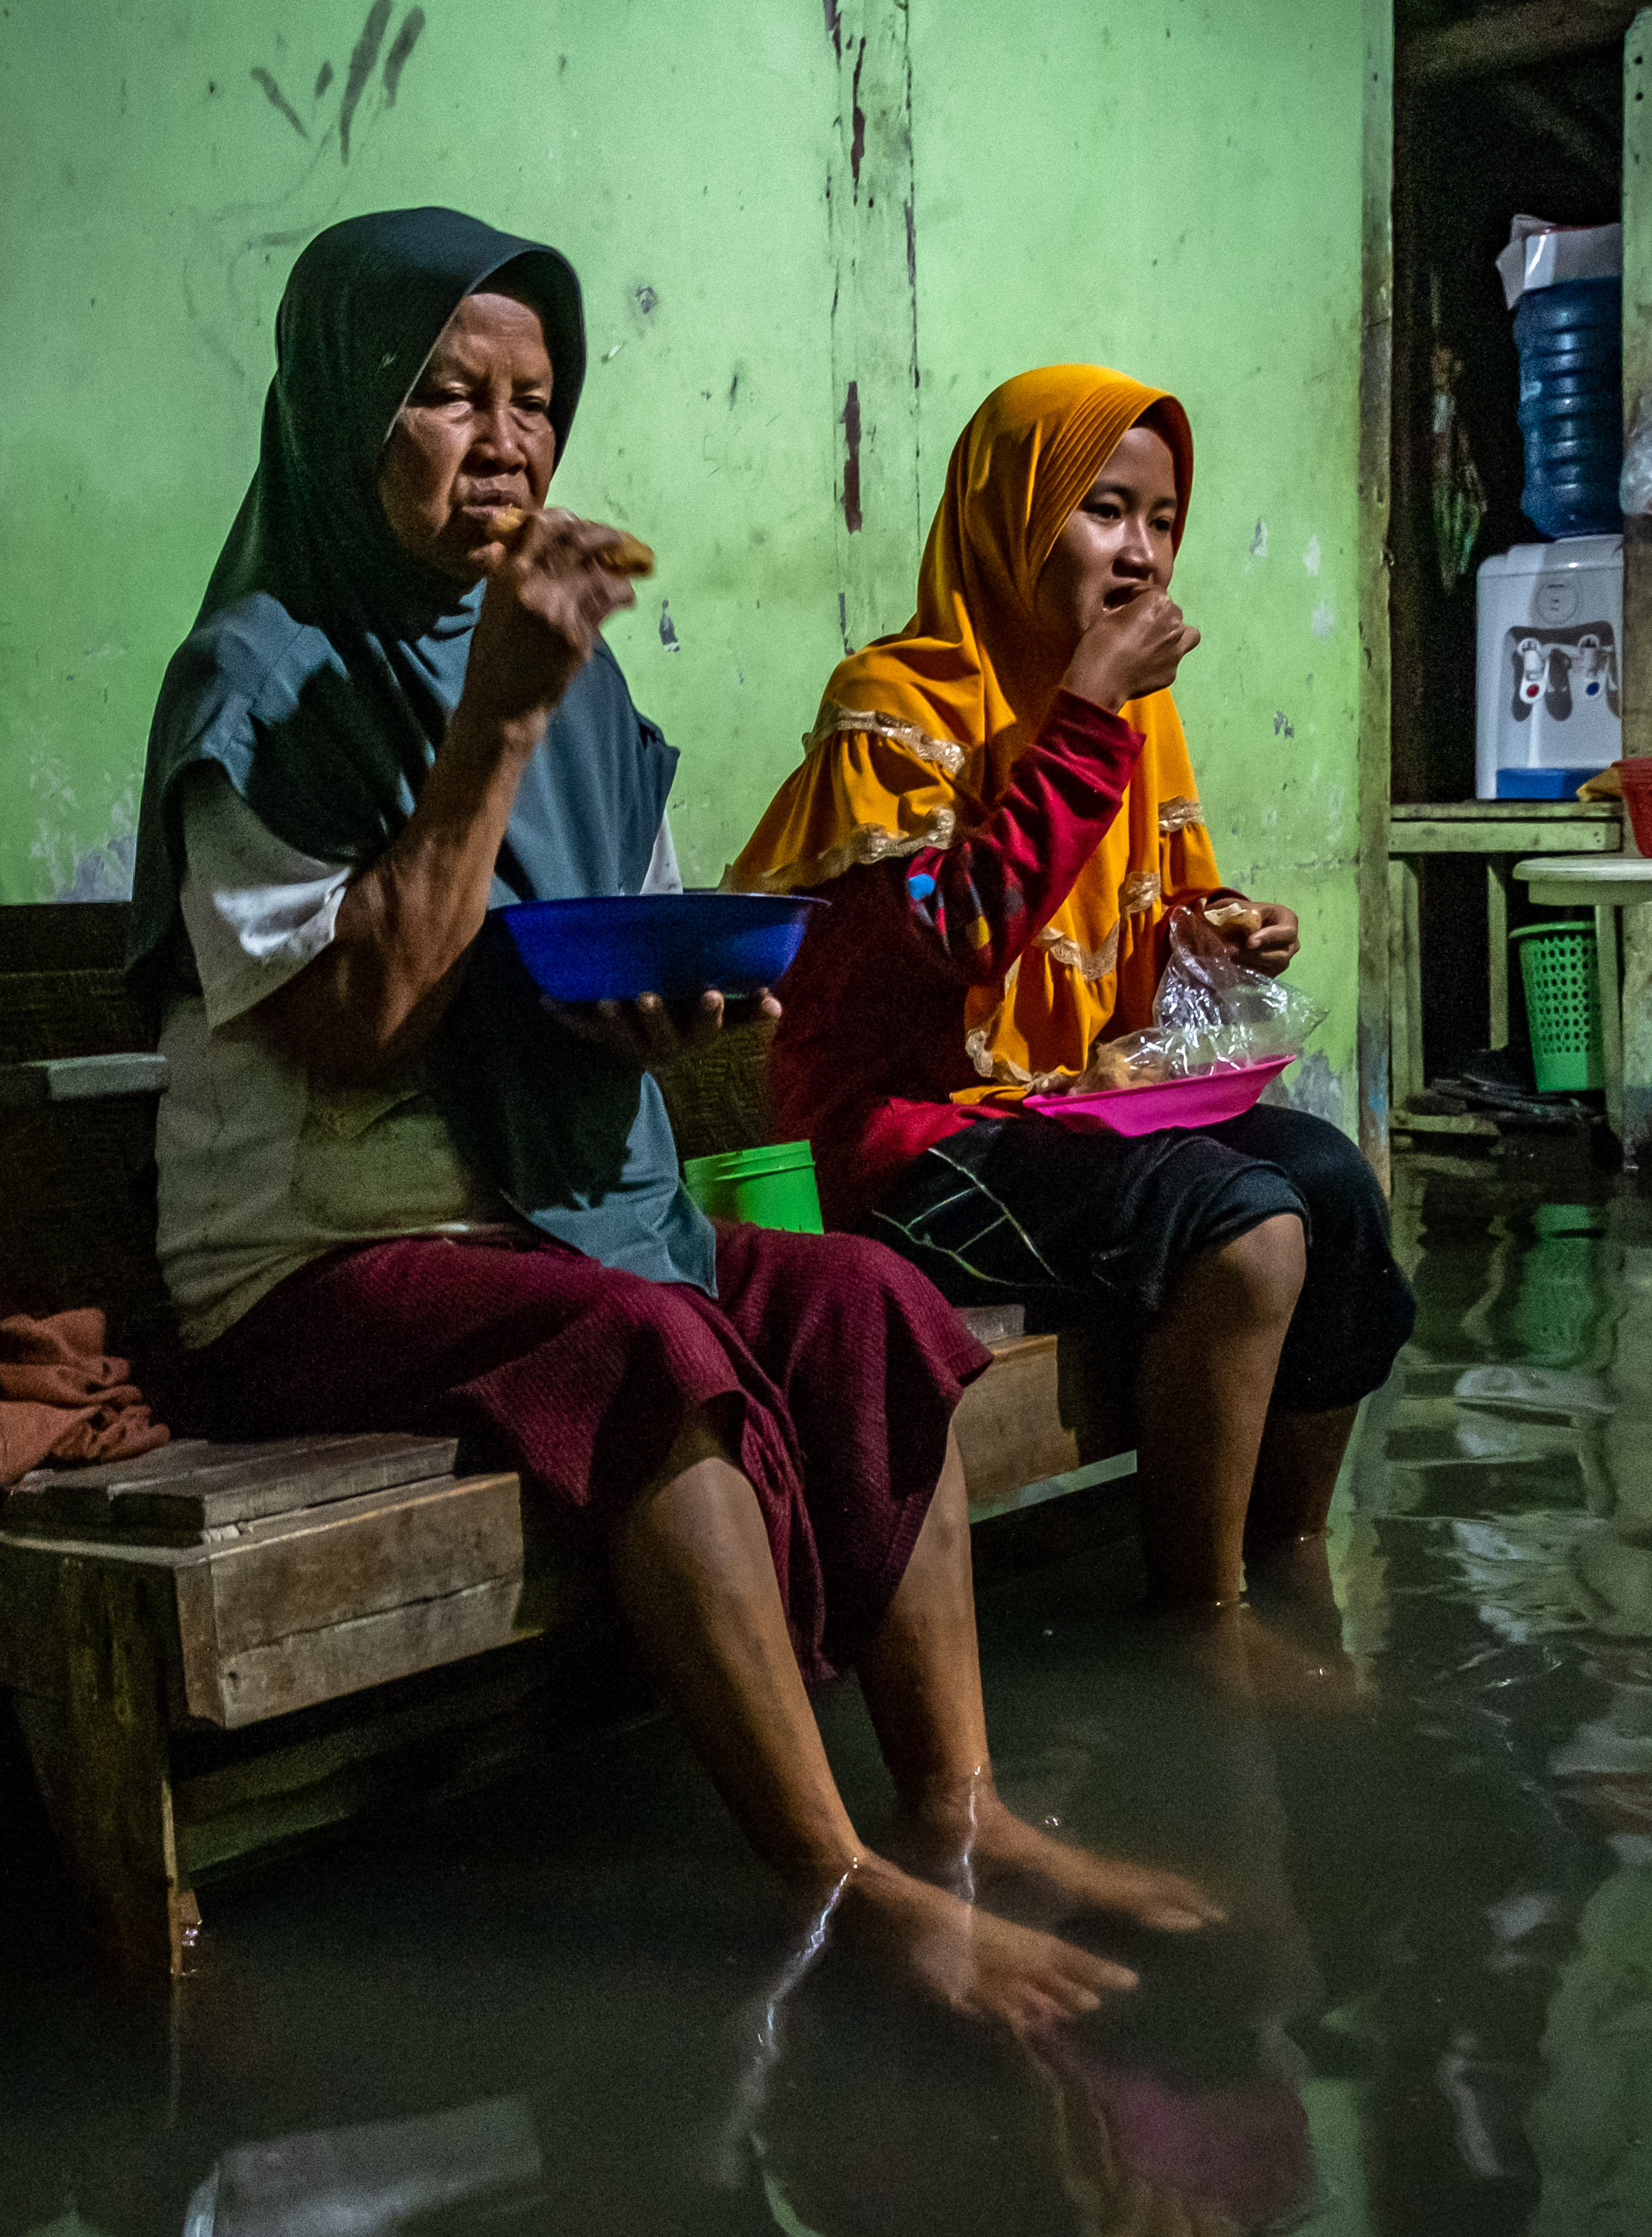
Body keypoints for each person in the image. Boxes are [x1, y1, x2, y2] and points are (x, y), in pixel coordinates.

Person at [129, 211, 1210, 2029]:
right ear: (337, 416)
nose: (505, 444)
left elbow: (603, 951)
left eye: (534, 401)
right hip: (321, 1257)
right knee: (647, 1344)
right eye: (446, 396)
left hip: (566, 1204)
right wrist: (492, 714)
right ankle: (830, 1875)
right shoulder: (256, 678)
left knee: (866, 1304)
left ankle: (953, 1810)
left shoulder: (586, 687)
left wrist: (666, 1009)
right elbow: (356, 1024)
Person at [728, 366, 1416, 1613]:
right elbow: (957, 933)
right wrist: (1091, 709)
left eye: (1162, 520)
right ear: (1011, 513)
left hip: (1063, 1116)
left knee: (1337, 1190)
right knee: (1249, 1231)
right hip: (901, 1144)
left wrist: (1230, 935)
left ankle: (1294, 1567)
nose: (1143, 555)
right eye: (1104, 509)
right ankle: (1203, 1621)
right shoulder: (892, 704)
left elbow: (1154, 927)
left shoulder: (1135, 718)